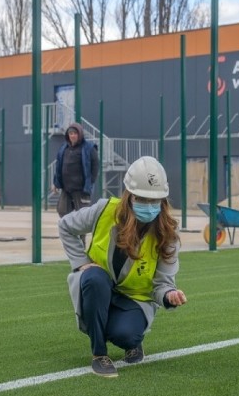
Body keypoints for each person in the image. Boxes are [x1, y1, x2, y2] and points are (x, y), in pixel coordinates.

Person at [58, 156, 187, 378]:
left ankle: (131, 340)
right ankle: (99, 354)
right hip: (99, 287)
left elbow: (161, 284)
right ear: (128, 195)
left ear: (163, 200)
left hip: (134, 299)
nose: (148, 206)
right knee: (94, 278)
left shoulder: (168, 237)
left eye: (154, 200)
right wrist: (81, 263)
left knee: (127, 336)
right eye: (141, 198)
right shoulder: (103, 211)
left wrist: (169, 295)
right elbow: (66, 226)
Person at [52, 122, 99, 217]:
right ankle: (69, 231)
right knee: (62, 211)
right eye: (70, 133)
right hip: (66, 188)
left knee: (82, 215)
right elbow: (59, 166)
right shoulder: (64, 148)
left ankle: (81, 232)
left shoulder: (88, 148)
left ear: (80, 134)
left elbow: (95, 166)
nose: (72, 136)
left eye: (75, 133)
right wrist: (55, 183)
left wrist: (90, 182)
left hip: (80, 189)